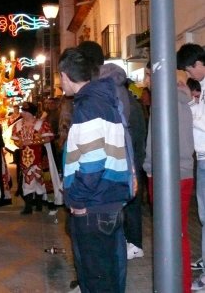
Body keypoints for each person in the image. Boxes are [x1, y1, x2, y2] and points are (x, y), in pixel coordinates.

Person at [59, 47, 131, 293]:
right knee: (109, 274)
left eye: (60, 78)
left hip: (93, 204)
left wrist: (76, 198)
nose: (60, 84)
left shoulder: (88, 106)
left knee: (96, 278)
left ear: (66, 76)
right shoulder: (103, 100)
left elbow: (92, 161)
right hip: (107, 199)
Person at [78, 40, 146, 260]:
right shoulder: (121, 91)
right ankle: (133, 243)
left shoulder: (104, 93)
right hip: (130, 156)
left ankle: (128, 245)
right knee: (130, 203)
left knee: (118, 206)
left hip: (117, 159)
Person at [143, 62, 194, 293]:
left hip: (167, 173)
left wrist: (149, 166)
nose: (145, 82)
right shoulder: (181, 97)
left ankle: (176, 285)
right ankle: (177, 283)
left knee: (171, 232)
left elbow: (157, 139)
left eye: (147, 76)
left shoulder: (165, 98)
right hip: (180, 171)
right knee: (177, 232)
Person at [176, 43, 205, 290]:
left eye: (189, 69)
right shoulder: (201, 87)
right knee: (204, 217)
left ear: (199, 64)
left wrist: (189, 108)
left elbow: (202, 121)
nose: (189, 75)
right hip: (202, 157)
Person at [11, 102, 53, 214]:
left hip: (39, 156)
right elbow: (15, 140)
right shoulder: (18, 125)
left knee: (40, 180)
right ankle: (28, 206)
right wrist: (19, 143)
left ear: (30, 113)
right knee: (27, 180)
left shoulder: (41, 124)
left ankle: (39, 203)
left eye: (25, 111)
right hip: (25, 158)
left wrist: (33, 142)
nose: (22, 113)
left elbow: (48, 139)